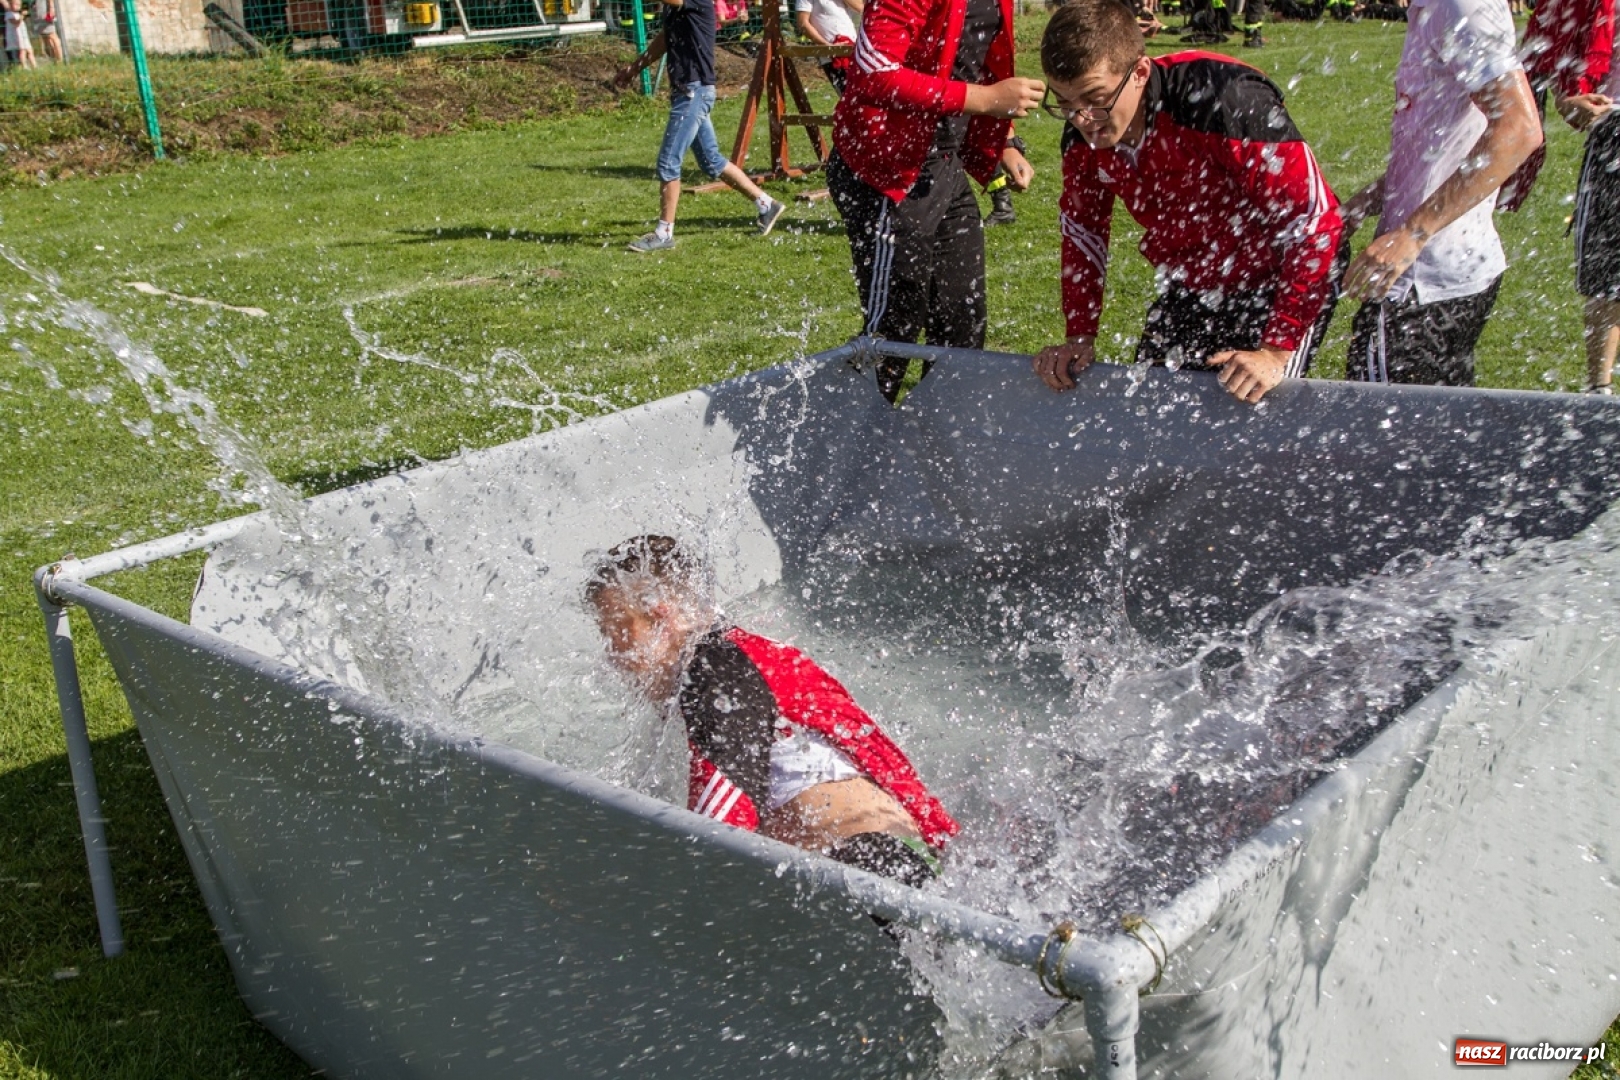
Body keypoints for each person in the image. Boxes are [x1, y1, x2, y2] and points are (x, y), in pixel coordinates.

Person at [584, 535, 959, 886]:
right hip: (892, 863)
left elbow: (718, 832)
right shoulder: (738, 656)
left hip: (870, 865)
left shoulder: (715, 669)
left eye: (617, 632)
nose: (612, 657)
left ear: (661, 618)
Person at [1031, 0, 1344, 406]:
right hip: (1196, 275)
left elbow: (1315, 221)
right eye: (1066, 105)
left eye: (1095, 99)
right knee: (1149, 407)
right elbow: (1084, 233)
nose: (1083, 120)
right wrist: (1080, 334)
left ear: (1140, 72)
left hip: (1282, 271)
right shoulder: (1081, 138)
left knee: (1250, 417)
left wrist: (1275, 350)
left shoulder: (1222, 98)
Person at [827, 0, 1043, 402]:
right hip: (886, 173)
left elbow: (974, 57)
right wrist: (983, 100)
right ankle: (848, 442)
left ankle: (939, 440)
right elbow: (874, 74)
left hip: (942, 164)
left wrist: (1004, 139)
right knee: (894, 329)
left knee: (963, 320)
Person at [1338, 0, 1542, 386]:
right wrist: (1362, 205)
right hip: (1447, 273)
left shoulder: (1458, 5)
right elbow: (1435, 151)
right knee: (1438, 435)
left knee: (1378, 438)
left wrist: (1414, 232)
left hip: (1421, 283)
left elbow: (1518, 130)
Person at [614, 0, 788, 254]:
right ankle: (766, 204)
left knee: (668, 161)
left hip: (694, 93)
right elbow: (665, 38)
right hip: (686, 92)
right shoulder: (675, 9)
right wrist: (634, 69)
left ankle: (664, 233)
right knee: (711, 160)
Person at [1516, 0, 1617, 392]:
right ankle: (1599, 392)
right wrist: (1567, 94)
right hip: (1615, 127)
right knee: (1608, 278)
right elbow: (1563, 29)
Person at [794, 0, 860, 93]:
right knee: (848, 98)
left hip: (855, 52)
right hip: (831, 56)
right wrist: (827, 46)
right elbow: (803, 24)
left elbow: (861, 8)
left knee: (866, 97)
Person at [4, 0, 36, 70]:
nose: (18, 7)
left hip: (23, 35)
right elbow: (16, 23)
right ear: (10, 4)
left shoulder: (18, 13)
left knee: (30, 50)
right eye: (16, 5)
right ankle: (24, 66)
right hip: (17, 36)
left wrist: (24, 13)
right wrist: (22, 16)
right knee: (23, 51)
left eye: (19, 5)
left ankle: (34, 66)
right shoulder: (9, 14)